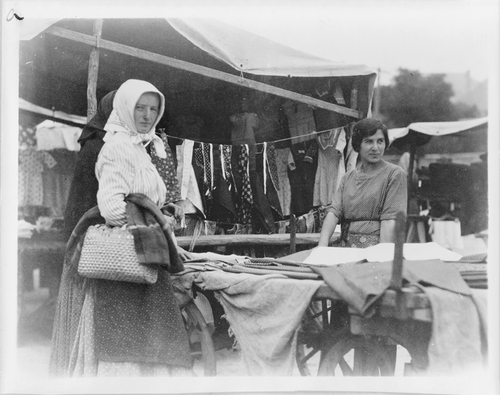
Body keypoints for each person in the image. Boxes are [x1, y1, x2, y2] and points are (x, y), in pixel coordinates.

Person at [50, 79, 193, 377]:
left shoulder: (141, 146)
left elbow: (141, 197)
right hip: (128, 254)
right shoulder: (115, 147)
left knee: (147, 337)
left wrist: (162, 209)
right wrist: (153, 218)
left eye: (153, 109)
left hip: (143, 249)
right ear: (125, 109)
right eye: (139, 108)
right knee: (125, 341)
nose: (147, 116)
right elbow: (113, 209)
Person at [318, 118, 407, 248]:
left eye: (380, 141)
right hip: (346, 247)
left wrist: (382, 257)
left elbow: (390, 220)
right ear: (358, 144)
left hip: (376, 250)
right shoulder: (348, 178)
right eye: (369, 141)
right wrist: (322, 245)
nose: (375, 148)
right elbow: (334, 212)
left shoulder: (394, 174)